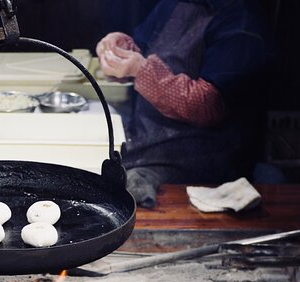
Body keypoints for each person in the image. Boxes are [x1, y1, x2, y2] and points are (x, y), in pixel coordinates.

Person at [95, 0, 268, 207]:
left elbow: (208, 104)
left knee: (106, 192)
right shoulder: (175, 4)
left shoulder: (241, 20)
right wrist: (121, 50)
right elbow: (142, 53)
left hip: (197, 161)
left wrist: (141, 70)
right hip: (145, 140)